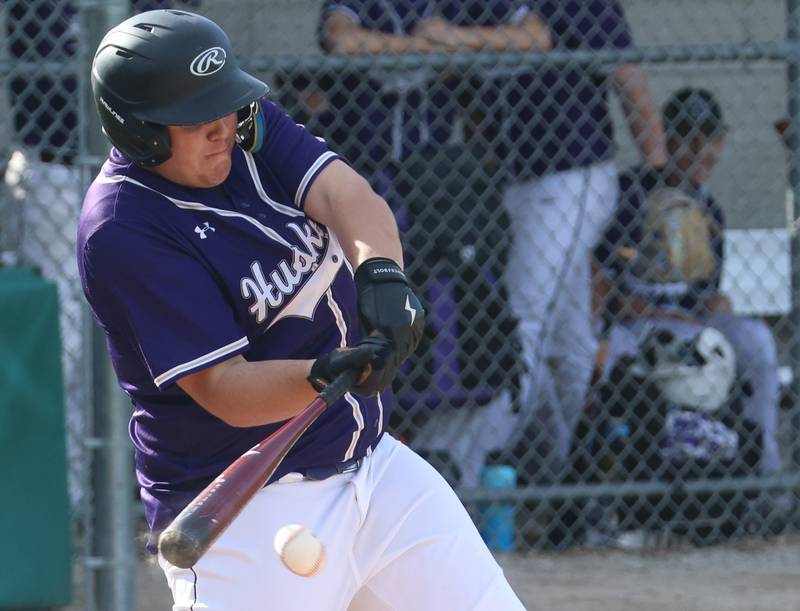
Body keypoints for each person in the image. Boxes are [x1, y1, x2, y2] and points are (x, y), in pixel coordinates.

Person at [77, 10, 526, 610]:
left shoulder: (247, 129)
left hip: (373, 464)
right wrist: (325, 373)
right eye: (197, 120)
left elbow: (347, 195)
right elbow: (222, 387)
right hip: (248, 506)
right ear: (142, 134)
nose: (223, 128)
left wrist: (382, 276)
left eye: (226, 107)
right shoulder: (123, 229)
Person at [492, 0, 668, 482]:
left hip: (573, 178)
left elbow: (632, 86)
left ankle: (475, 464)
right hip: (513, 185)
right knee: (569, 344)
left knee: (521, 317)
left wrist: (657, 182)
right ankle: (561, 474)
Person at [594, 87, 782, 476]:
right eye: (687, 137)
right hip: (635, 328)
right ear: (667, 138)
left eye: (709, 139)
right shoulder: (631, 195)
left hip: (690, 328)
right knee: (605, 356)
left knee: (757, 340)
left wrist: (715, 306)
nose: (699, 150)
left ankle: (765, 474)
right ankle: (594, 477)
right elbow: (600, 276)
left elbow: (703, 295)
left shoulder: (710, 210)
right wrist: (620, 303)